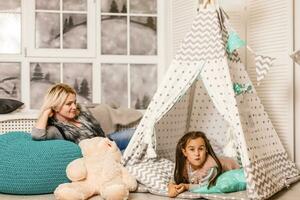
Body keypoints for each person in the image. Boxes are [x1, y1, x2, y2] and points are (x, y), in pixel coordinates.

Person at [31, 83, 134, 149]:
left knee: (140, 134)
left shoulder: (80, 111)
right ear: (56, 106)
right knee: (133, 154)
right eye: (69, 104)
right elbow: (37, 136)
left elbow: (93, 105)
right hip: (101, 155)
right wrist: (46, 112)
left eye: (75, 102)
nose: (74, 106)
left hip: (109, 140)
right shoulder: (55, 130)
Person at [168, 131, 240, 197]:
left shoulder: (211, 167)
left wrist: (186, 186)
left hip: (233, 165)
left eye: (201, 149)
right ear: (185, 152)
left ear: (206, 150)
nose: (197, 154)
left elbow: (205, 187)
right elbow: (173, 179)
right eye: (192, 149)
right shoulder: (182, 165)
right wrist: (171, 187)